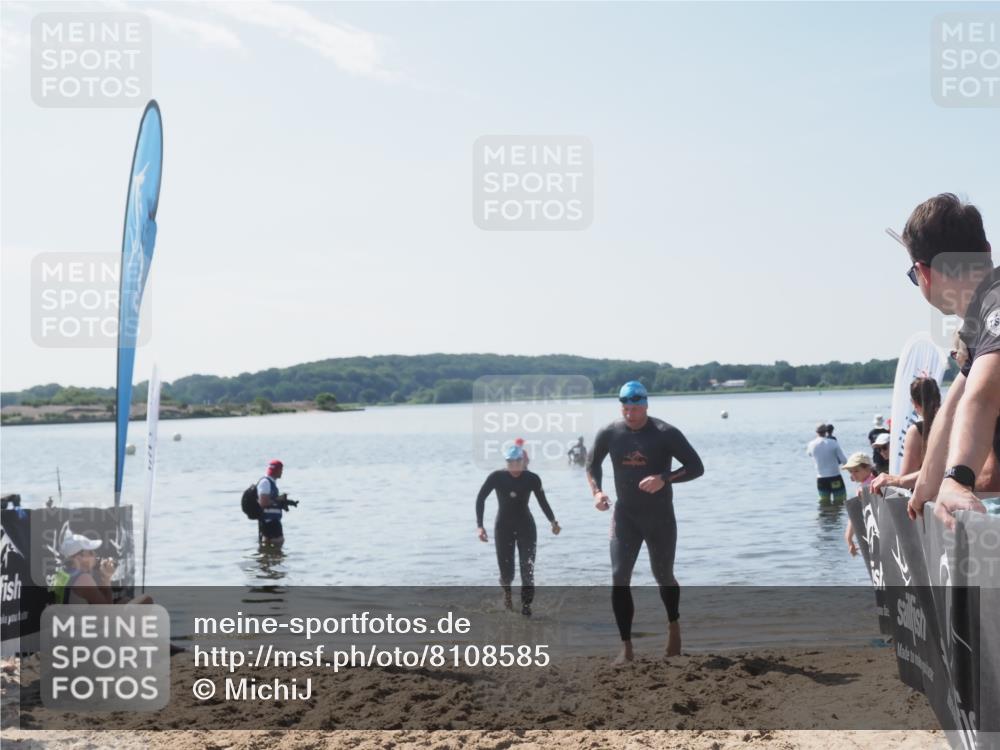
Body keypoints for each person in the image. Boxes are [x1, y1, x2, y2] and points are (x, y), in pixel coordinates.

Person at [893, 194, 1000, 527]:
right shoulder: (980, 320)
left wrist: (957, 479)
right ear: (987, 251)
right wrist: (926, 485)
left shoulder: (995, 305)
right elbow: (955, 404)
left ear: (923, 273)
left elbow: (984, 395)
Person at [586, 380, 704, 662]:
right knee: (619, 577)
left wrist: (664, 478)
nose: (630, 413)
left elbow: (696, 467)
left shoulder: (665, 433)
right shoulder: (610, 432)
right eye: (626, 408)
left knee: (663, 576)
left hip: (659, 517)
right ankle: (626, 647)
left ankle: (673, 625)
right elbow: (592, 464)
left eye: (636, 408)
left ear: (646, 405)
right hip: (625, 516)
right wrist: (597, 492)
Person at [475, 444, 560, 616]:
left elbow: (542, 501)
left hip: (526, 527)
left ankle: (526, 607)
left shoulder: (532, 479)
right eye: (510, 462)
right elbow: (480, 498)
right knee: (507, 574)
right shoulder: (496, 477)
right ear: (506, 462)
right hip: (503, 528)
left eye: (517, 461)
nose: (514, 465)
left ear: (524, 461)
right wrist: (480, 526)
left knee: (527, 570)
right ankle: (507, 595)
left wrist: (553, 522)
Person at [871, 377, 941, 495]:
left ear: (914, 403)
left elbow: (906, 480)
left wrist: (890, 479)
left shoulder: (917, 431)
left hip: (928, 499)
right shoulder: (956, 423)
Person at [50, 531, 151, 605]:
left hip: (69, 621)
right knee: (146, 599)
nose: (95, 555)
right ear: (79, 557)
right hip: (82, 626)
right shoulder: (84, 579)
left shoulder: (63, 573)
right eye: (90, 552)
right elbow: (106, 612)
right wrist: (106, 578)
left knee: (125, 601)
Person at [841, 452, 875, 557]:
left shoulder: (867, 486)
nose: (853, 475)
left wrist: (848, 537)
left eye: (856, 471)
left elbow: (855, 513)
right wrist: (848, 537)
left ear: (868, 468)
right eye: (851, 472)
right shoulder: (867, 484)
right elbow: (855, 512)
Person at [806, 423, 848, 504]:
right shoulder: (833, 442)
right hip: (835, 477)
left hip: (821, 479)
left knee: (824, 502)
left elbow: (809, 454)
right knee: (840, 501)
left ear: (816, 432)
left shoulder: (811, 444)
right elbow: (844, 460)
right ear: (826, 431)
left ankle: (826, 512)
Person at [257, 459, 291, 547]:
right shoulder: (265, 482)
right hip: (269, 521)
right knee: (279, 541)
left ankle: (267, 554)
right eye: (281, 470)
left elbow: (270, 500)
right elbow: (263, 502)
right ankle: (271, 554)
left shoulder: (271, 482)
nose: (282, 472)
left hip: (272, 520)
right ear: (277, 470)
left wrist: (283, 503)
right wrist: (278, 501)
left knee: (268, 544)